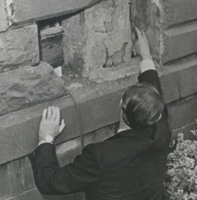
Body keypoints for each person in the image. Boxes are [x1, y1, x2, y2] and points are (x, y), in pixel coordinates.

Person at [30, 28, 171, 200]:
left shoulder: (100, 156)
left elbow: (49, 182)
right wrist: (146, 57)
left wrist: (45, 138)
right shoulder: (161, 131)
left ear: (121, 104)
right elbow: (155, 98)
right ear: (155, 116)